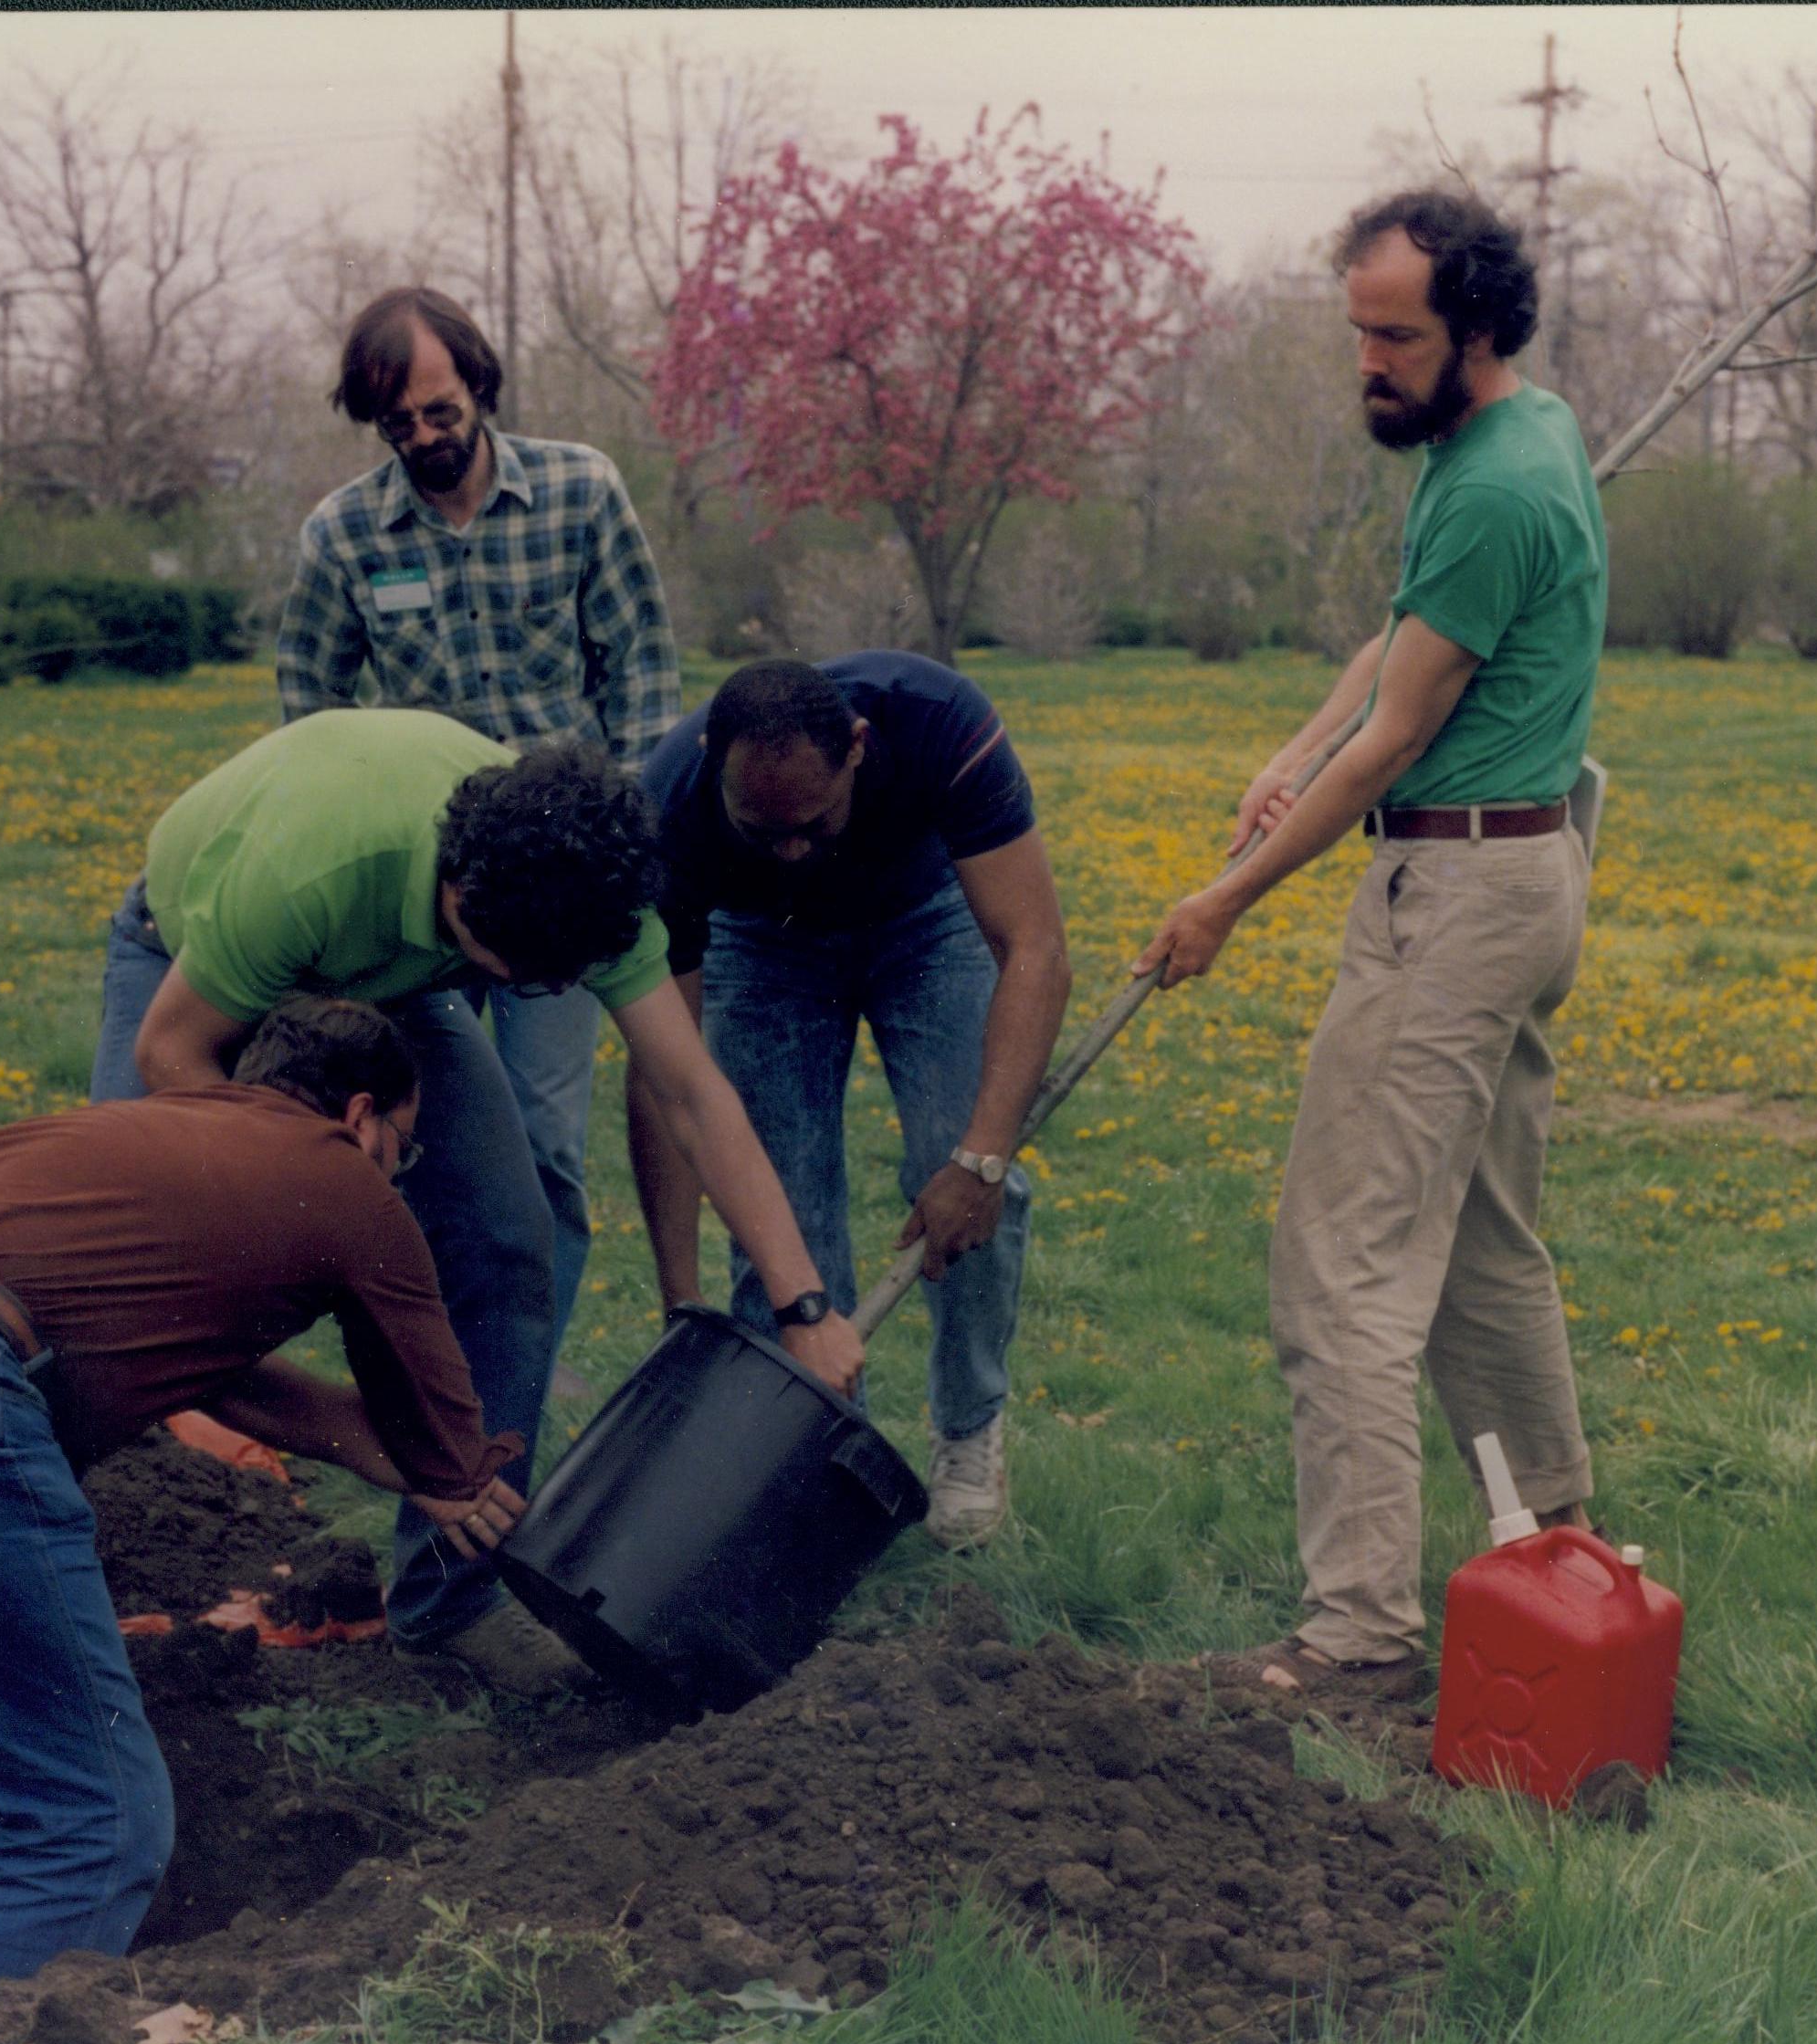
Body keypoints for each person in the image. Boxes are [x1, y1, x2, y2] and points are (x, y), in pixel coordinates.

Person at [88, 708, 865, 1694]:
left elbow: (692, 1095)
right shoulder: (310, 869)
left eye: (556, 983)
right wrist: (322, 1209)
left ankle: (450, 1601)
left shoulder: (590, 891)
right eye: (511, 974)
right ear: (459, 895)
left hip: (401, 982)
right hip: (189, 965)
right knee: (116, 1278)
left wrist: (803, 1307)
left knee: (506, 1240)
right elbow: (172, 1054)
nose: (533, 993)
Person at [0, 998, 528, 1980]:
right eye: (399, 1151)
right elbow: (444, 1432)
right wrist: (456, 1479)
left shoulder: (172, 1134)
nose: (392, 1176)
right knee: (99, 1811)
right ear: (363, 1115)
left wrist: (396, 1459)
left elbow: (229, 1383)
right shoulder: (341, 1176)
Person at [1133, 189, 1604, 1700]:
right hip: (1520, 879)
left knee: (1337, 1274)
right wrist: (1295, 738)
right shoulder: (1514, 441)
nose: (1368, 361)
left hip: (1453, 905)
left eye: (1395, 335)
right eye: (1356, 330)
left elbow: (1392, 742)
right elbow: (1394, 653)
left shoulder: (1494, 486)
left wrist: (1226, 899)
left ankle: (1354, 1639)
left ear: (1478, 328)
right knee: (1478, 1248)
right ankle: (1557, 1557)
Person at [275, 288, 681, 1392]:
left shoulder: (580, 493)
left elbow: (641, 672)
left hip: (555, 894)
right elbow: (309, 709)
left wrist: (625, 846)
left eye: (439, 413)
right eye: (398, 426)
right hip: (422, 895)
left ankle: (519, 1386)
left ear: (480, 386)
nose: (423, 440)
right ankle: (430, 1372)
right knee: (414, 1146)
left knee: (546, 1148)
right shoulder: (344, 536)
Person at [630, 655, 1070, 1551]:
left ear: (859, 753)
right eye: (763, 829)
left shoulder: (940, 721)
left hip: (927, 919)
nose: (792, 849)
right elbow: (667, 1084)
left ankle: (968, 1431)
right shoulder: (668, 810)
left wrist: (981, 1160)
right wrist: (681, 1307)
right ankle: (816, 1465)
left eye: (813, 822)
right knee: (779, 1212)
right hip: (764, 948)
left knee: (971, 1171)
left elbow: (1035, 948)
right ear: (716, 759)